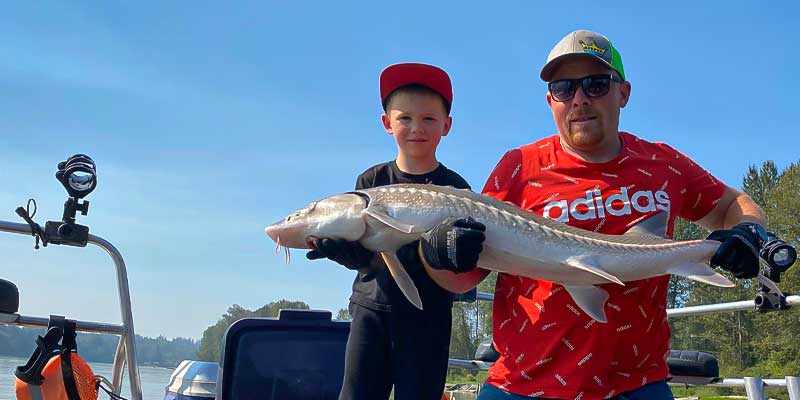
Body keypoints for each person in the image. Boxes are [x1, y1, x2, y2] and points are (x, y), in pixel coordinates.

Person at [426, 30, 768, 400]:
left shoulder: (662, 163)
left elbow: (733, 205)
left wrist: (748, 230)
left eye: (596, 84)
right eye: (564, 89)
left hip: (637, 385)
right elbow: (464, 279)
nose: (580, 100)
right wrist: (438, 255)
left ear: (623, 93)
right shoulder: (518, 167)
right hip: (522, 384)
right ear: (550, 100)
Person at [305, 62, 486, 400]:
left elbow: (465, 266)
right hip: (370, 311)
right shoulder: (369, 183)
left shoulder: (459, 189)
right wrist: (354, 257)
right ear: (387, 123)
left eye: (429, 119)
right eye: (405, 118)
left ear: (446, 126)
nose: (416, 127)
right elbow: (363, 249)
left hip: (428, 317)